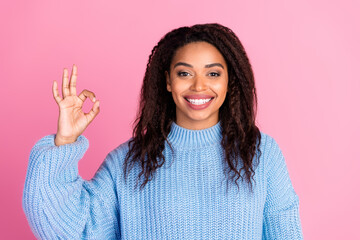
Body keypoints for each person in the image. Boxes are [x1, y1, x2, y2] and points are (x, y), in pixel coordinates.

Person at [23, 23, 304, 239]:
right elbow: (70, 232)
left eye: (213, 73)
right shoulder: (127, 163)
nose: (198, 86)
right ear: (168, 81)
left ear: (229, 81)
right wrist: (65, 140)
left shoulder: (261, 153)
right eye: (184, 73)